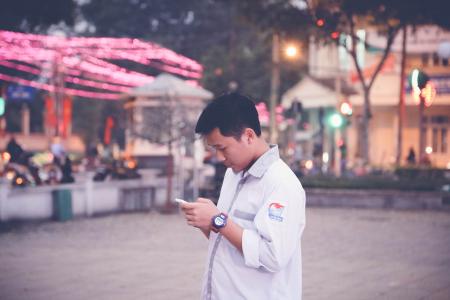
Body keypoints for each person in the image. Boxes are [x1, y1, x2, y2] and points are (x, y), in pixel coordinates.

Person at [180, 93, 306, 300]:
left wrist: (217, 219)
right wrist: (207, 224)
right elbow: (232, 238)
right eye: (214, 149)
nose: (219, 157)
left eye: (222, 148)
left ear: (248, 136)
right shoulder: (233, 174)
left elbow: (272, 256)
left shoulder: (282, 184)